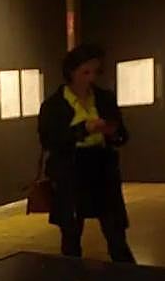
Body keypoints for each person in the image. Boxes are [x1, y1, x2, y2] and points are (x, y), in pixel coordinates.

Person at [38, 44, 134, 262]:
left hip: (102, 169)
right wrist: (83, 129)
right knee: (71, 235)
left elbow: (123, 135)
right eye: (85, 72)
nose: (91, 78)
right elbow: (49, 140)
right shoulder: (54, 105)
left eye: (95, 72)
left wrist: (112, 131)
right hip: (71, 172)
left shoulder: (103, 98)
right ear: (71, 72)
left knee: (116, 233)